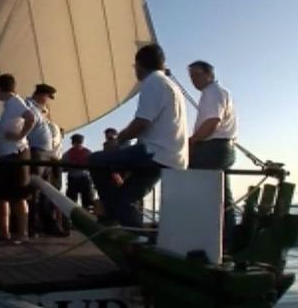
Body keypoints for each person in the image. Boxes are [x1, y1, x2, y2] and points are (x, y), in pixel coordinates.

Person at [88, 44, 188, 227]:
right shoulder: (170, 85)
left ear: (139, 65)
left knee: (96, 160)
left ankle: (110, 214)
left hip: (153, 153)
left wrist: (117, 141)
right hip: (172, 156)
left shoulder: (153, 82)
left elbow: (142, 123)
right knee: (124, 200)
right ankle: (133, 234)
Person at [187, 60, 238, 248]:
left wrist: (192, 141)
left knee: (195, 189)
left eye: (197, 74)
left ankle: (200, 239)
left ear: (210, 74)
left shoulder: (211, 93)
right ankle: (227, 242)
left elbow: (212, 122)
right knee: (223, 197)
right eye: (191, 76)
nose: (194, 79)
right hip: (226, 149)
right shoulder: (223, 92)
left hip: (212, 149)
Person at [0, 74, 35, 242]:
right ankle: (5, 232)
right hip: (5, 154)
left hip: (17, 154)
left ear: (1, 89)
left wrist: (20, 136)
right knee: (3, 195)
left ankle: (22, 234)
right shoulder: (8, 106)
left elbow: (30, 118)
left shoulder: (16, 102)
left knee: (19, 195)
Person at [24, 83, 56, 237]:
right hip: (36, 151)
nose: (48, 100)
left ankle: (46, 225)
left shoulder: (42, 110)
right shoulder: (28, 105)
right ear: (39, 94)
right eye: (47, 97)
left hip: (47, 153)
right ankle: (32, 226)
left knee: (46, 191)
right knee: (34, 190)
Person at [62, 134, 95, 210]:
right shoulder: (88, 152)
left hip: (78, 179)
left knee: (74, 203)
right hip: (81, 179)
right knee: (84, 203)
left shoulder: (68, 154)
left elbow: (63, 168)